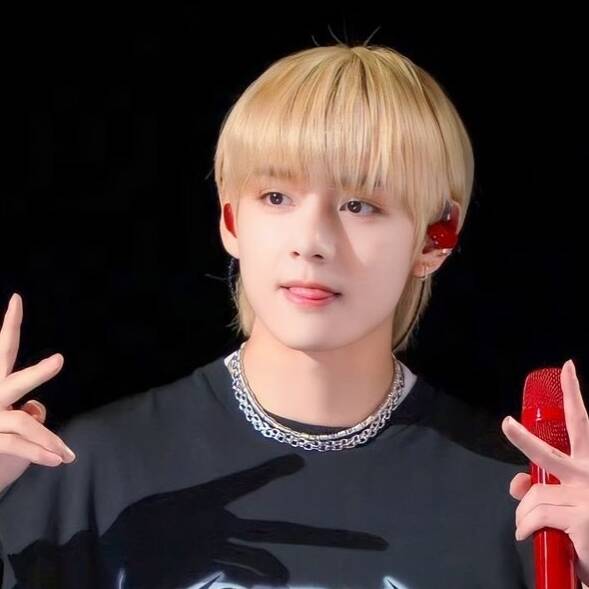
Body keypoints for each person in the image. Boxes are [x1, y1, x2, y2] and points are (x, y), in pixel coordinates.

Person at [0, 42, 538, 588]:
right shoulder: (84, 472)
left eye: (360, 205)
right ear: (231, 219)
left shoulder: (518, 502)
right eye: (277, 196)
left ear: (435, 238)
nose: (311, 241)